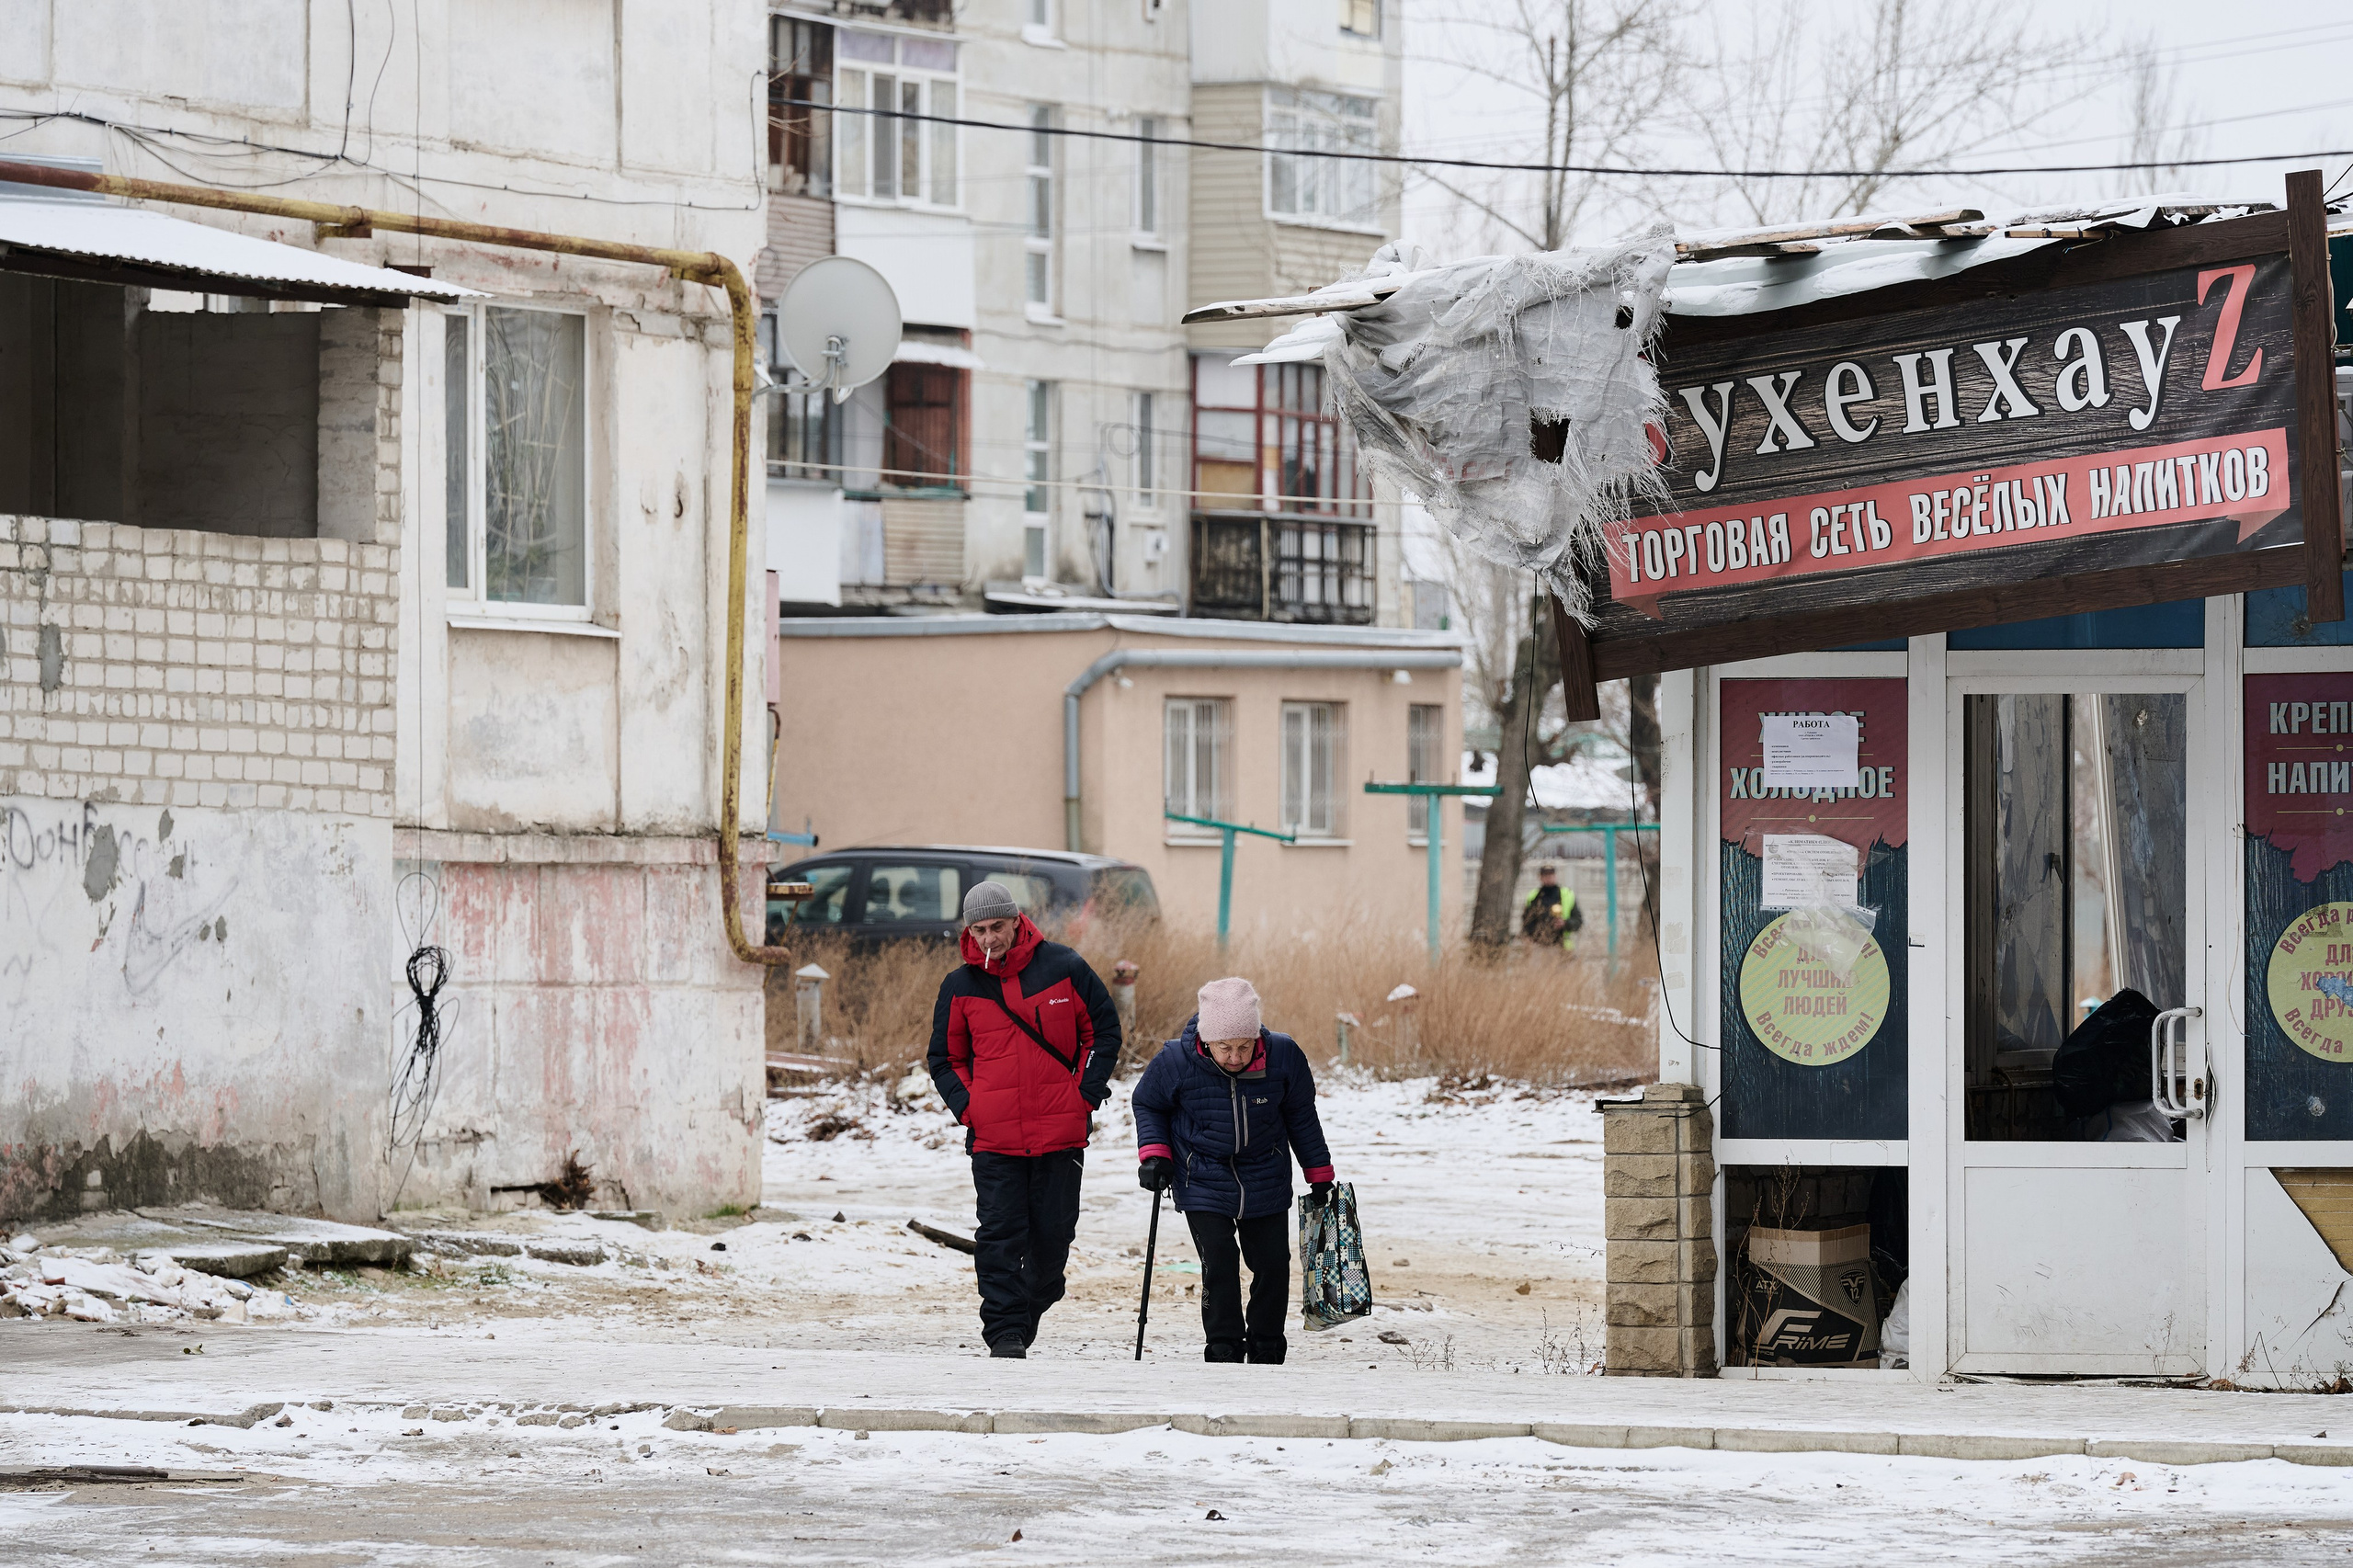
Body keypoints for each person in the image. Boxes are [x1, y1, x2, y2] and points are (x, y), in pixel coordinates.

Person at [926, 881, 1120, 1358]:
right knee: (999, 1238)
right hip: (995, 1140)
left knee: (1052, 1245)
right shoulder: (959, 987)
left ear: (1017, 921)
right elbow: (945, 1059)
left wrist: (1083, 1095)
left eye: (997, 926)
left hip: (1061, 1134)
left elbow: (1103, 1032)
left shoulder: (1065, 966)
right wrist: (971, 1108)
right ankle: (1005, 1333)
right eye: (979, 930)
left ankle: (1030, 1306)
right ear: (968, 932)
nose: (989, 938)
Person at [1131, 977, 1334, 1365]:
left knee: (1273, 1264)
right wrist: (1155, 1155)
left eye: (1244, 1046)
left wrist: (1319, 1172)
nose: (1236, 1057)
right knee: (1220, 1260)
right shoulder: (1176, 1060)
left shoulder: (1283, 1055)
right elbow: (1148, 1104)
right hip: (1201, 1174)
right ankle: (1223, 1345)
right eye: (1225, 1047)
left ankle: (1267, 1345)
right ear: (1207, 1040)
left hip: (1265, 1174)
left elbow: (1301, 1116)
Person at [1521, 862, 1580, 953]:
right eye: (1545, 875)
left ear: (1555, 876)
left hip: (1562, 946)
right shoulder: (1533, 896)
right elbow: (1526, 921)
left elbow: (1578, 921)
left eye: (1551, 875)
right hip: (1538, 946)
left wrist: (1565, 923)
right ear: (1540, 877)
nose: (1548, 878)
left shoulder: (1567, 895)